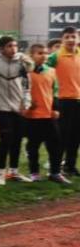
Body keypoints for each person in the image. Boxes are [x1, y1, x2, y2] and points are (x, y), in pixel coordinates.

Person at [0, 36, 31, 184]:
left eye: (15, 46)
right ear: (0, 48)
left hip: (18, 106)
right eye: (9, 46)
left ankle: (14, 171)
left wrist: (26, 103)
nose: (13, 49)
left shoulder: (21, 63)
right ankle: (0, 172)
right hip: (1, 106)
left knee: (18, 139)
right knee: (5, 138)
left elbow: (26, 84)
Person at [24, 43, 69, 183]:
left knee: (55, 144)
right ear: (31, 55)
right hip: (32, 116)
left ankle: (55, 172)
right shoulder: (25, 73)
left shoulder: (51, 71)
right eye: (39, 53)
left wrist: (55, 108)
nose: (44, 56)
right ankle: (34, 173)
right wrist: (27, 103)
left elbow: (55, 92)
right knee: (33, 146)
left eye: (45, 53)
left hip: (49, 115)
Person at [47, 27, 80, 176]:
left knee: (76, 136)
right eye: (67, 37)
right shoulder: (55, 57)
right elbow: (44, 72)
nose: (71, 40)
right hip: (63, 101)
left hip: (78, 100)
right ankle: (56, 167)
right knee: (61, 136)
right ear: (62, 40)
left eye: (73, 36)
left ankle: (70, 166)